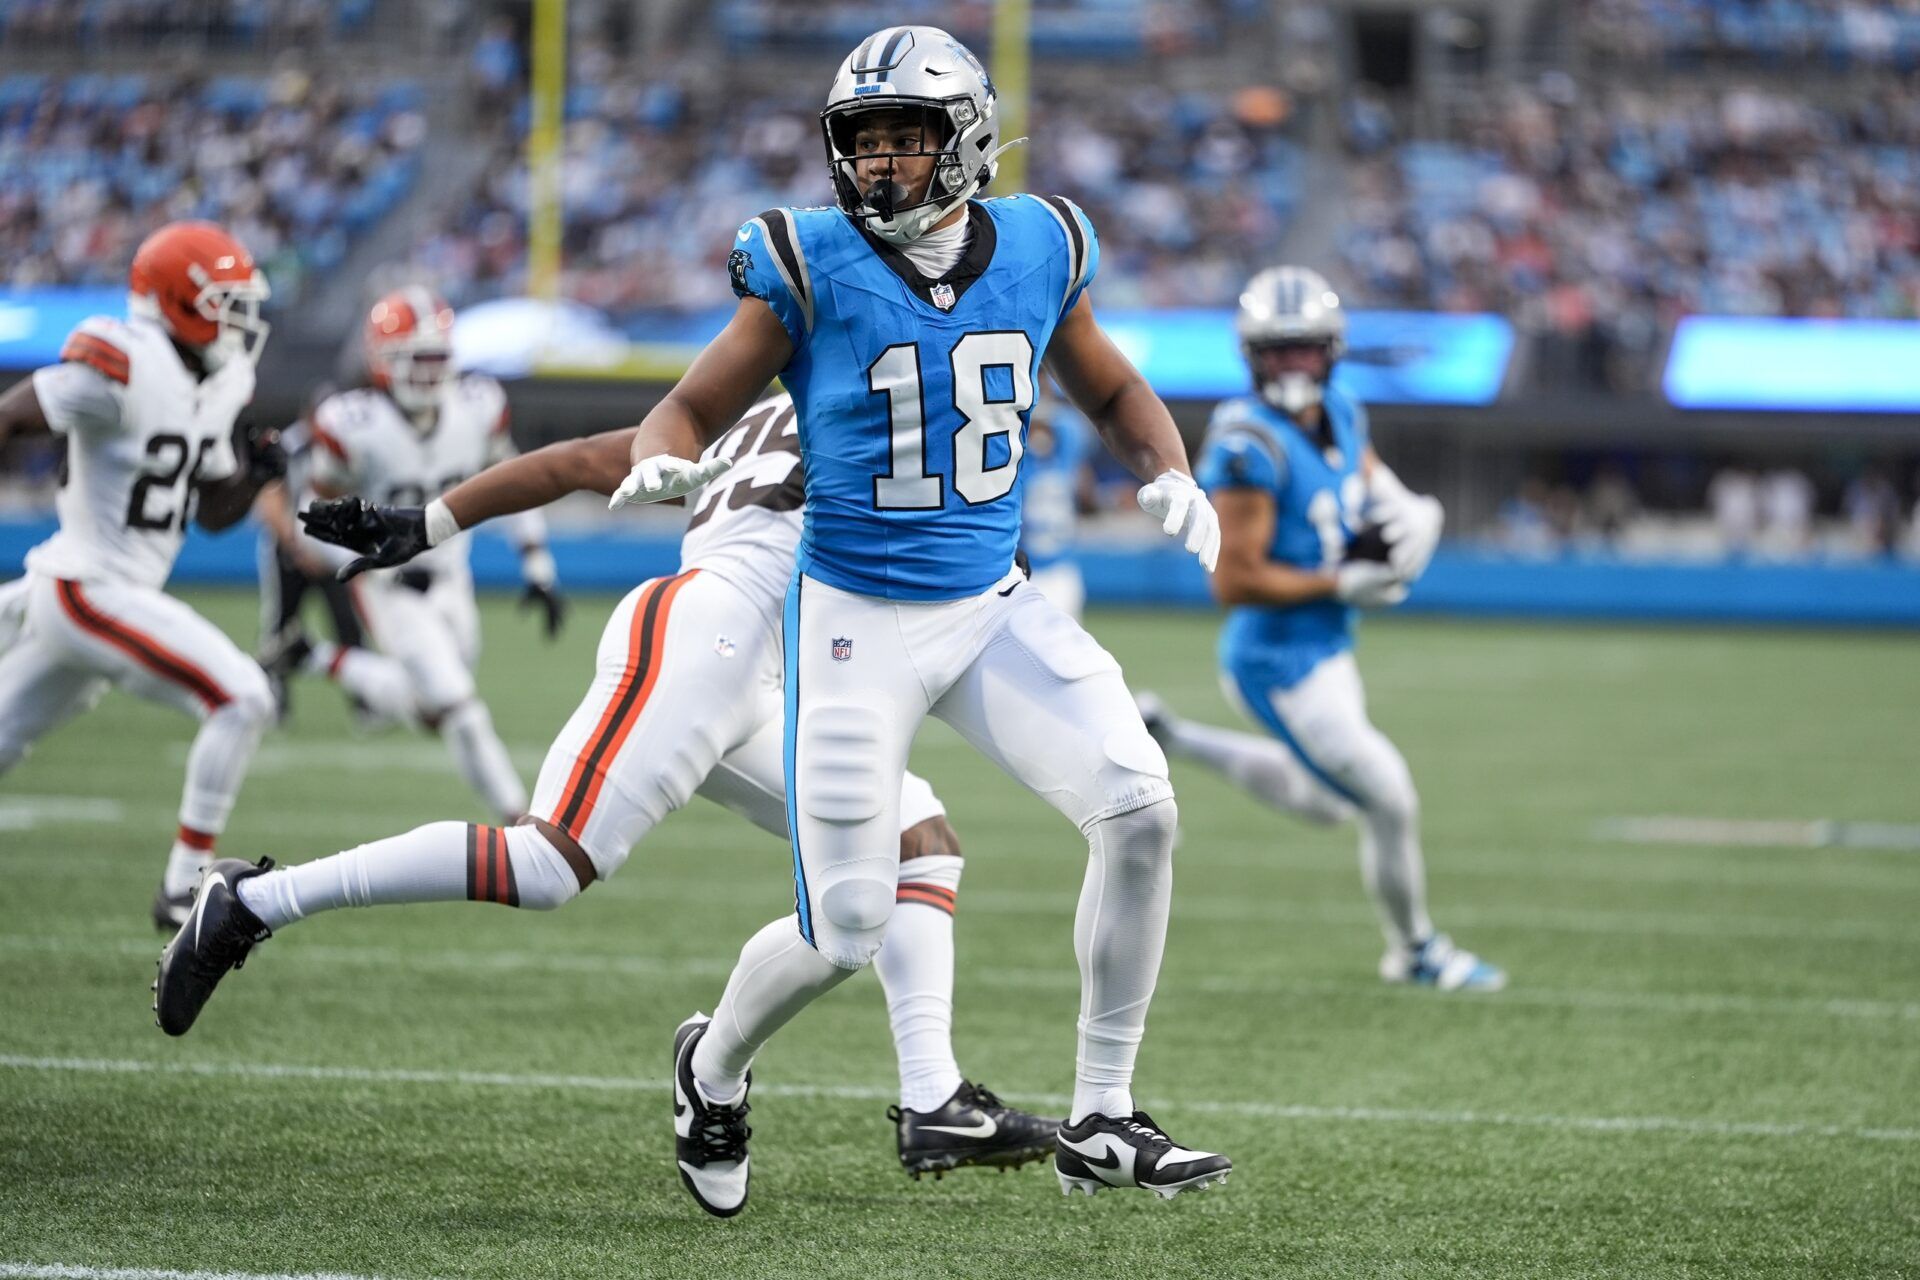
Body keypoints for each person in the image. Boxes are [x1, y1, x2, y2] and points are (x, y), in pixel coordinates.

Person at [597, 26, 1228, 1214]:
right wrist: (663, 457)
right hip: (854, 620)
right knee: (846, 926)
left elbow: (1111, 383)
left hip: (988, 604)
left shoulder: (1043, 241)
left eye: (907, 137)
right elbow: (686, 403)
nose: (881, 163)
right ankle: (712, 1063)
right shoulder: (805, 260)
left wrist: (1168, 470)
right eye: (865, 141)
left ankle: (1102, 1112)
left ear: (968, 138)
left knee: (1141, 806)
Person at [153, 391, 1062, 1185]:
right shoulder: (889, 421)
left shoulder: (794, 405)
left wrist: (425, 524)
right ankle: (253, 901)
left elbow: (584, 460)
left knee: (919, 843)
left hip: (760, 676)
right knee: (546, 864)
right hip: (704, 641)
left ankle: (877, 1092)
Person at [1136, 265, 1505, 992]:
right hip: (1276, 659)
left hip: (1328, 643)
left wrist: (1411, 511)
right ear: (1253, 356)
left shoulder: (1341, 409)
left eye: (1305, 348)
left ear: (1330, 350)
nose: (1293, 364)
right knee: (1389, 796)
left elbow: (1365, 477)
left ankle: (1173, 735)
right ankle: (1417, 950)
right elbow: (1233, 580)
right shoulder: (1248, 444)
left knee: (1329, 803)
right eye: (1279, 350)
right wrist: (1340, 581)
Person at [0, 221, 284, 930]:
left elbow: (213, 510)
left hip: (103, 595)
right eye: (225, 303)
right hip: (89, 587)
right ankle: (184, 890)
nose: (240, 321)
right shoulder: (125, 356)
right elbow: (10, 416)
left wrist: (257, 477)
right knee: (244, 696)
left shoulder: (219, 381)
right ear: (178, 301)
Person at [302, 287, 568, 819]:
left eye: (435, 358)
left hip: (454, 576)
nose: (427, 373)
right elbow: (312, 514)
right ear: (382, 360)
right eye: (414, 359)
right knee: (459, 707)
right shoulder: (353, 424)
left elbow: (515, 482)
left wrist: (537, 562)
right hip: (392, 589)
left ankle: (315, 657)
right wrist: (354, 556)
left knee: (429, 709)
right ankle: (521, 819)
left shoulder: (477, 407)